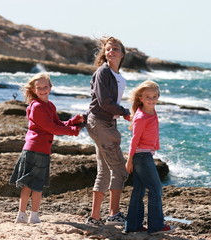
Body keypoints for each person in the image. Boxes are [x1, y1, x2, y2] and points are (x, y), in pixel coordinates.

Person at [10, 72, 83, 224]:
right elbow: (50, 127)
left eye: (45, 87)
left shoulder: (50, 106)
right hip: (34, 149)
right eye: (39, 88)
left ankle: (31, 215)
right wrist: (72, 131)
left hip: (42, 150)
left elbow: (58, 124)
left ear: (50, 87)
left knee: (35, 185)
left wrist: (72, 121)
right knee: (31, 185)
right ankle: (24, 215)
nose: (43, 90)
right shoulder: (36, 107)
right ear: (34, 90)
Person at [85, 36, 131, 226]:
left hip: (105, 124)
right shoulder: (103, 72)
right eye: (108, 49)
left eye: (115, 49)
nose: (111, 51)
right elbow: (104, 102)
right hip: (101, 124)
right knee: (119, 170)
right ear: (105, 53)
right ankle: (114, 214)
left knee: (104, 171)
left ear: (122, 54)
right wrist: (126, 113)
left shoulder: (117, 76)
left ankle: (95, 217)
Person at [124, 80, 173, 235]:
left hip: (145, 154)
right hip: (141, 156)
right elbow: (134, 139)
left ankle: (133, 225)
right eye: (148, 97)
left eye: (154, 96)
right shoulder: (141, 116)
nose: (152, 100)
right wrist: (129, 160)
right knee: (156, 188)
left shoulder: (151, 110)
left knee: (139, 190)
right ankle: (156, 226)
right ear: (141, 98)